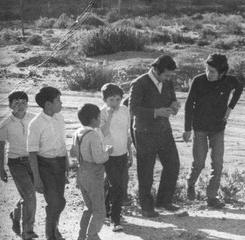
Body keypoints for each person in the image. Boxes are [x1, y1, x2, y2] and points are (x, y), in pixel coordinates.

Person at [183, 53, 243, 208]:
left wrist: (230, 107)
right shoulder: (198, 81)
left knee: (217, 164)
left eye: (213, 72)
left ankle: (211, 197)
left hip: (218, 128)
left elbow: (239, 88)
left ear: (222, 73)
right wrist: (187, 129)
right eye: (207, 69)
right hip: (200, 128)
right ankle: (190, 184)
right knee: (199, 162)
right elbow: (189, 105)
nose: (209, 74)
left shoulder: (229, 81)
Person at [129, 55, 181, 218]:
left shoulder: (168, 82)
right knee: (146, 171)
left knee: (173, 165)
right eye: (166, 75)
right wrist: (155, 112)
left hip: (165, 131)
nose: (168, 78)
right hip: (145, 133)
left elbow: (172, 100)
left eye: (170, 75)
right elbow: (133, 109)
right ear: (156, 70)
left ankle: (164, 201)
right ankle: (146, 207)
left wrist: (174, 106)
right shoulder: (139, 83)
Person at [27, 86, 69, 240]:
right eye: (58, 100)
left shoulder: (60, 118)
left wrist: (66, 165)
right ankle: (50, 235)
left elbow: (63, 144)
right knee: (56, 202)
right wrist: (37, 179)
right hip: (44, 165)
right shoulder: (36, 123)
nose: (61, 103)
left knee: (59, 202)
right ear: (48, 104)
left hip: (59, 164)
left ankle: (54, 227)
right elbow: (32, 152)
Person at [0, 91, 38, 240]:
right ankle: (27, 231)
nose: (20, 106)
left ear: (27, 104)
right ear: (10, 106)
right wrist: (1, 169)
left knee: (27, 195)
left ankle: (15, 215)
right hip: (16, 163)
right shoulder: (5, 123)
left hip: (34, 161)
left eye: (23, 103)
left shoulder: (34, 119)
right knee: (29, 195)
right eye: (16, 103)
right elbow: (0, 148)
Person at [70, 103, 113, 240]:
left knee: (88, 207)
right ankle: (92, 236)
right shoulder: (93, 134)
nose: (100, 120)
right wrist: (107, 152)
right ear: (94, 119)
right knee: (99, 210)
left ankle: (82, 236)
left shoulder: (77, 132)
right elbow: (98, 158)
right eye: (99, 117)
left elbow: (72, 153)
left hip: (81, 171)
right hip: (93, 174)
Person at [99, 83, 133, 232]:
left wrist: (130, 153)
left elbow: (127, 133)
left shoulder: (125, 110)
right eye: (111, 99)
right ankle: (115, 220)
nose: (115, 103)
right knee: (118, 187)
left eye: (118, 99)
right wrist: (110, 115)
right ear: (105, 99)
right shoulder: (101, 112)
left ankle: (105, 211)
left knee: (112, 184)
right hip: (109, 154)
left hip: (122, 153)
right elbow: (104, 132)